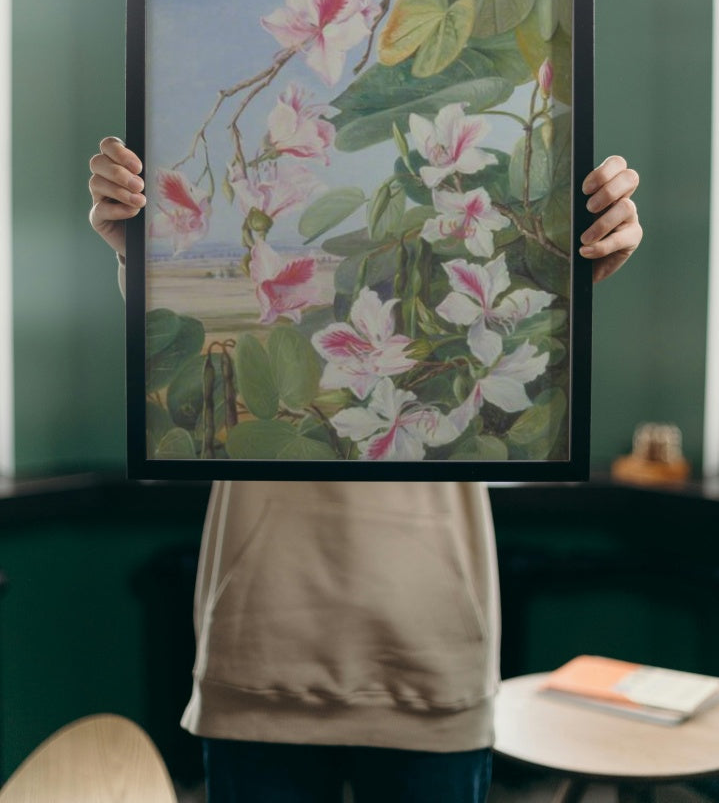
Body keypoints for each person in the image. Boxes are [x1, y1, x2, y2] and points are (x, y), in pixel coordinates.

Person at [89, 139, 642, 803]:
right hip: (262, 649)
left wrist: (566, 270)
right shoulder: (265, 293)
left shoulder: (451, 272)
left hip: (433, 653)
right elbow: (184, 341)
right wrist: (136, 246)